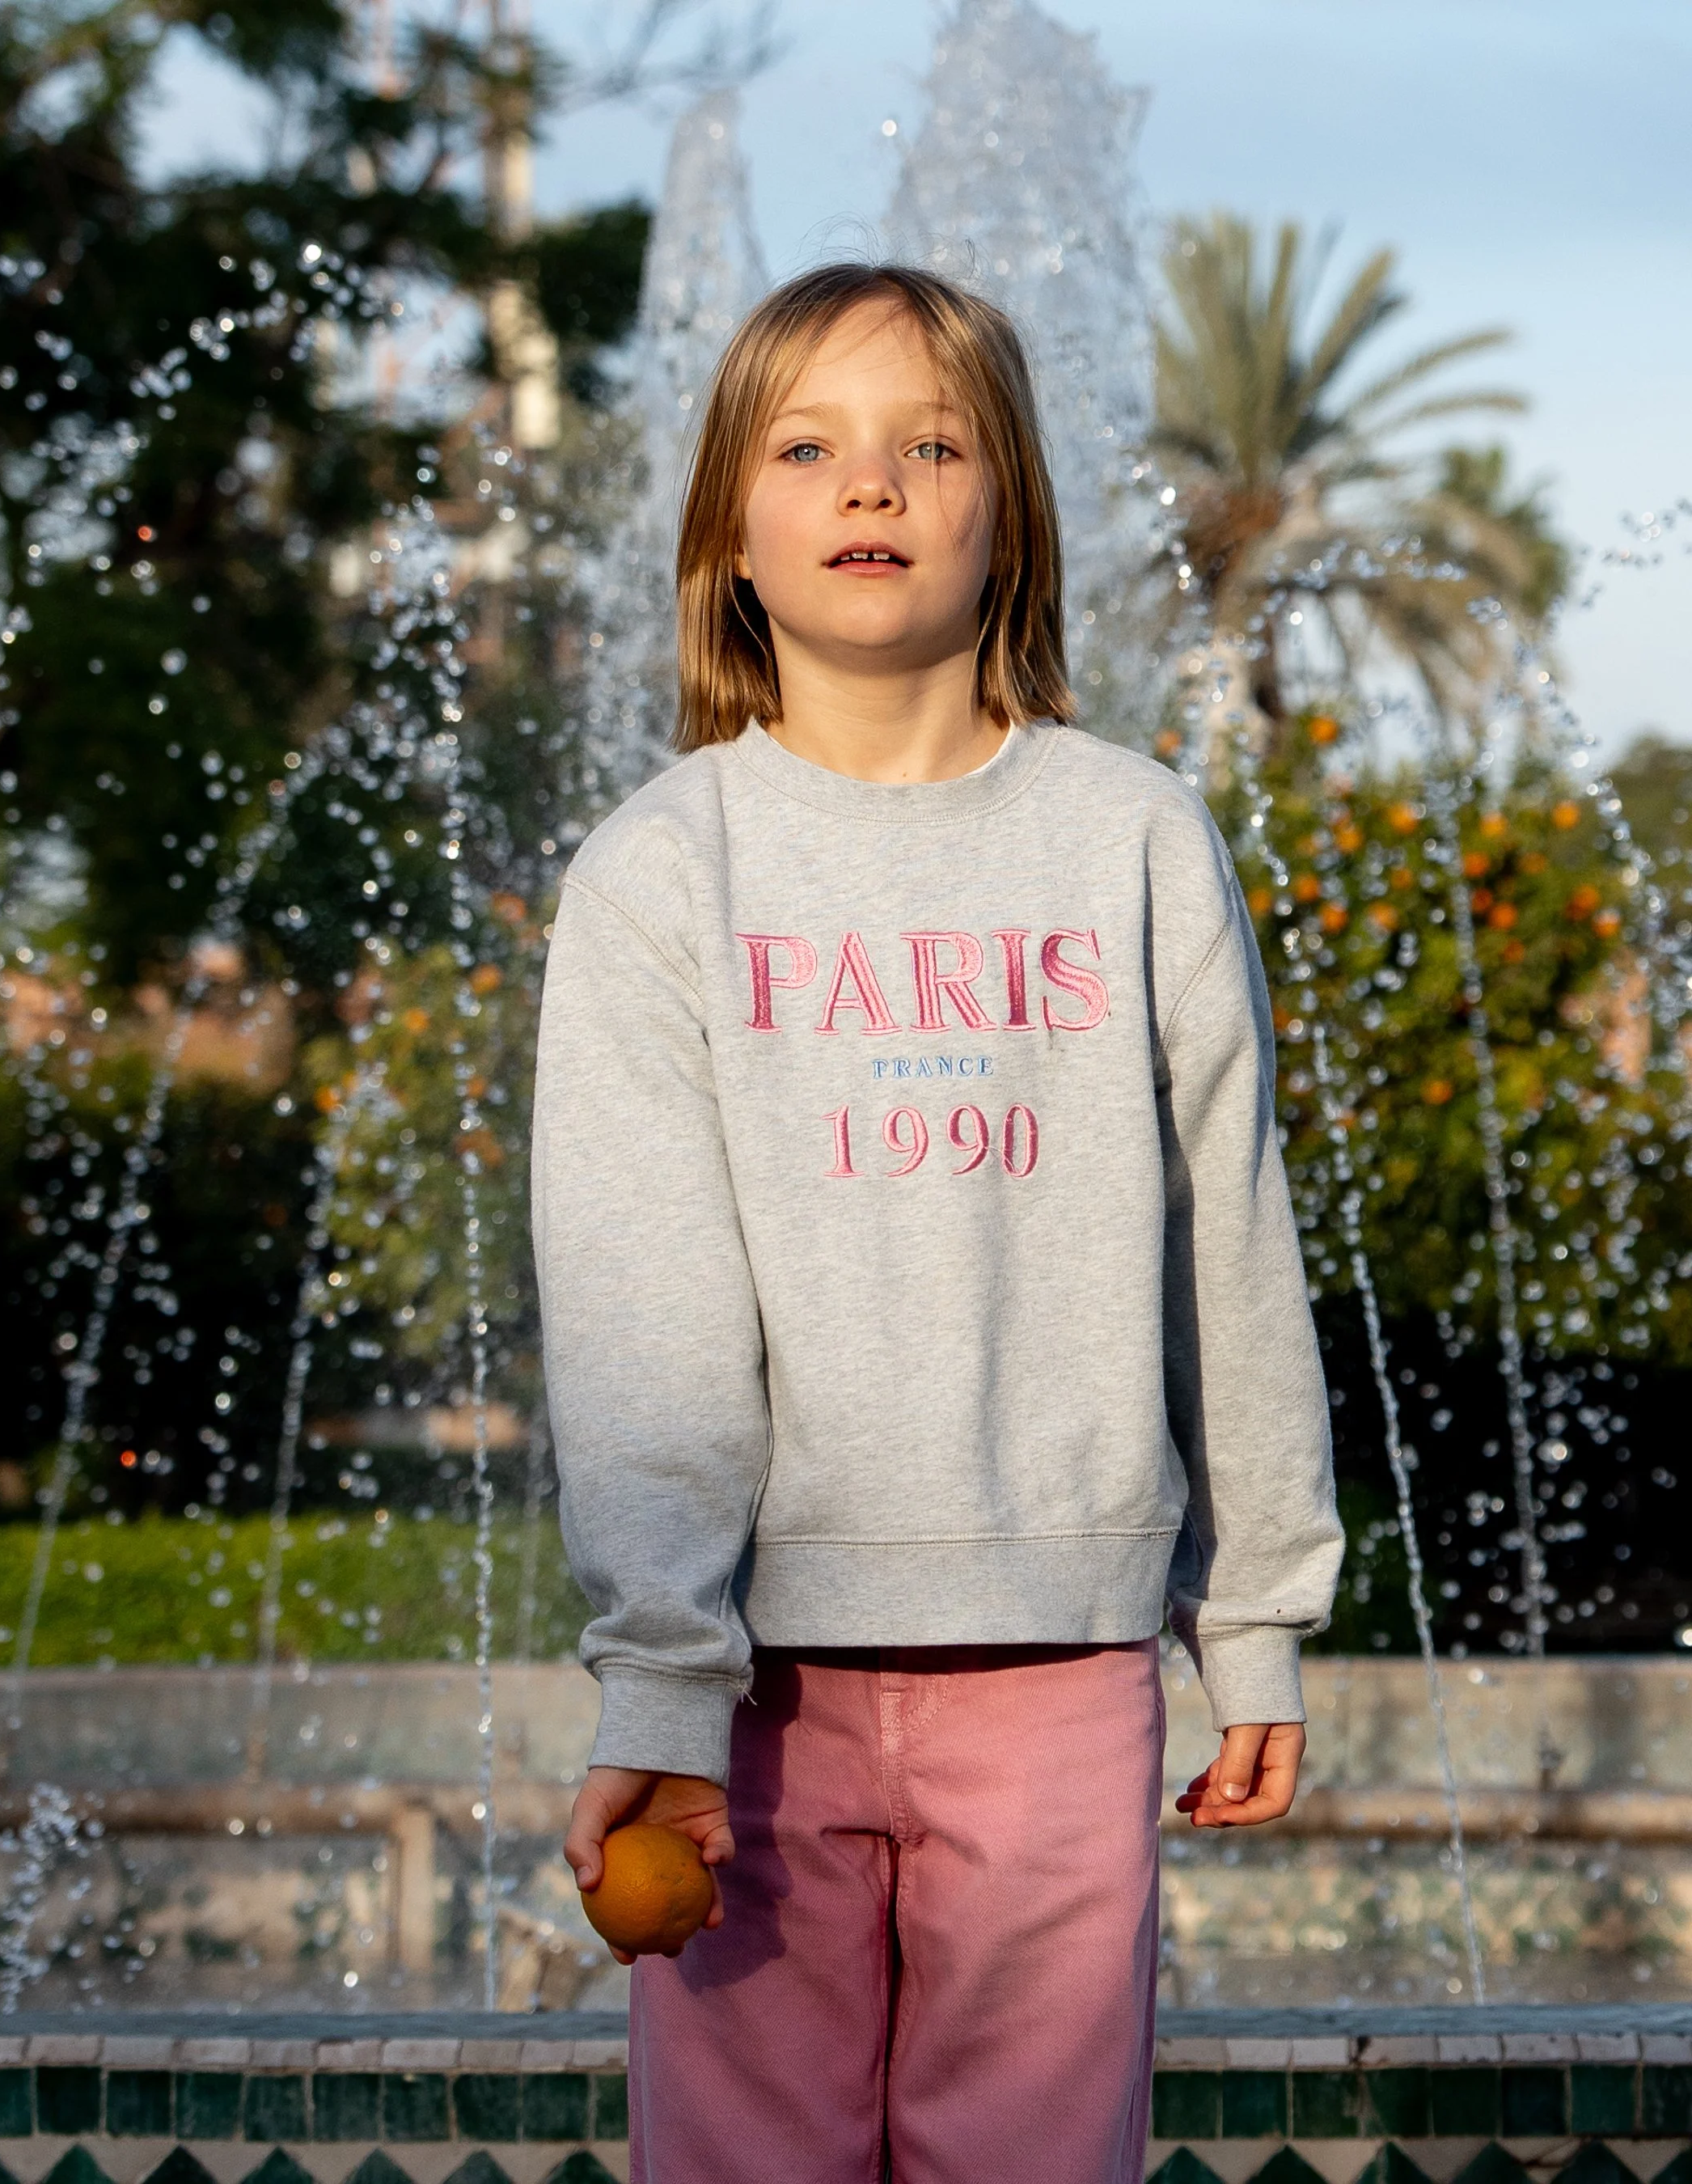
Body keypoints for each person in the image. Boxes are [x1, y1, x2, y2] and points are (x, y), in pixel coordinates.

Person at [531, 262, 1343, 2184]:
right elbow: (646, 1319)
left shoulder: (1135, 838)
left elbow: (1225, 1241)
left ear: (1013, 519)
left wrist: (1259, 1618)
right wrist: (659, 1677)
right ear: (732, 523)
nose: (870, 486)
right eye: (807, 446)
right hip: (754, 1694)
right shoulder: (662, 872)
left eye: (931, 444)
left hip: (1062, 1670)